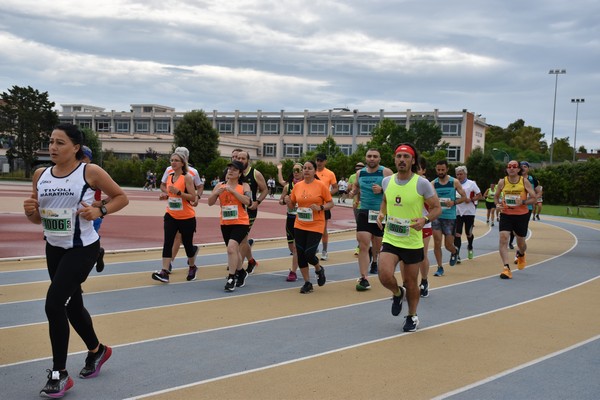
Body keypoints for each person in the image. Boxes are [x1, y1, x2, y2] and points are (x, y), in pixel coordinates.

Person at [23, 123, 129, 398]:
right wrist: (30, 212)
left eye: (60, 143)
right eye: (51, 141)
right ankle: (98, 350)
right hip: (54, 248)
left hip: (82, 249)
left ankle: (60, 374)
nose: (53, 147)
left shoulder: (89, 172)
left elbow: (121, 197)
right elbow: (38, 219)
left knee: (54, 303)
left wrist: (100, 209)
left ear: (75, 147)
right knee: (72, 305)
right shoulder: (40, 174)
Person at [376, 143, 441, 332]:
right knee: (384, 275)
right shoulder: (387, 181)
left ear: (413, 160)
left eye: (406, 157)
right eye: (399, 157)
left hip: (412, 240)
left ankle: (412, 316)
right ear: (395, 159)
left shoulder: (421, 183)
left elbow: (437, 208)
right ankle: (397, 293)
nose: (402, 160)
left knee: (411, 282)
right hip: (391, 237)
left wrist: (425, 219)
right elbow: (385, 201)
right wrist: (382, 214)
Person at [151, 151, 199, 283]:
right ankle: (164, 271)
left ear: (182, 163)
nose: (173, 163)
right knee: (168, 242)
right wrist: (165, 196)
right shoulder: (170, 176)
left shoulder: (187, 177)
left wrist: (179, 192)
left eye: (176, 160)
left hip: (187, 217)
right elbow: (171, 195)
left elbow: (192, 197)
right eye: (172, 160)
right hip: (171, 215)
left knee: (188, 245)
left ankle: (192, 267)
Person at [350, 149, 393, 290]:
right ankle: (364, 277)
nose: (372, 158)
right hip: (364, 211)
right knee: (363, 244)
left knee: (378, 244)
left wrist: (381, 190)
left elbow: (396, 189)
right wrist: (353, 192)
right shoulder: (360, 173)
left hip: (380, 213)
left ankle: (375, 261)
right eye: (369, 156)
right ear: (366, 158)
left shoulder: (386, 172)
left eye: (375, 156)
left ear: (379, 159)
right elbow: (356, 186)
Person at [289, 160, 334, 293]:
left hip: (316, 224)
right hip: (300, 224)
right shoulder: (297, 186)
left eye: (310, 168)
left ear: (315, 171)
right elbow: (292, 204)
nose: (306, 170)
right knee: (300, 254)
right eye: (305, 169)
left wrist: (320, 207)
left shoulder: (320, 186)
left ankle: (319, 269)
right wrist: (286, 202)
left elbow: (331, 203)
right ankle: (307, 282)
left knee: (309, 254)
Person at [208, 160, 252, 291]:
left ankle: (231, 277)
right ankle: (241, 272)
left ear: (239, 173)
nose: (230, 171)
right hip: (225, 222)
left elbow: (248, 201)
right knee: (233, 250)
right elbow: (210, 202)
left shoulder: (244, 186)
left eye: (234, 169)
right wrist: (216, 193)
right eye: (229, 169)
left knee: (231, 248)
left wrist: (232, 192)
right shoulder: (220, 185)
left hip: (241, 222)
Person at [494, 160, 537, 279]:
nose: (511, 168)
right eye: (509, 166)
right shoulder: (502, 181)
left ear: (519, 169)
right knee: (503, 238)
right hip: (506, 214)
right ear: (507, 169)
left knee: (521, 243)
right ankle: (506, 268)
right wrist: (497, 204)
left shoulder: (524, 181)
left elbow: (534, 198)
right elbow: (496, 196)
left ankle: (521, 254)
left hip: (521, 215)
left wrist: (522, 202)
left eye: (514, 166)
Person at [430, 160, 466, 277]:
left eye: (442, 170)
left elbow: (464, 197)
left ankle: (454, 251)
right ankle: (440, 267)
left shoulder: (454, 182)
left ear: (447, 169)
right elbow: (427, 198)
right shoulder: (433, 184)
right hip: (437, 216)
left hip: (450, 218)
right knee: (437, 242)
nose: (440, 172)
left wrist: (454, 202)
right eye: (438, 170)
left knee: (448, 245)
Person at [236, 151, 268, 273]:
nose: (240, 160)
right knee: (241, 239)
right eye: (238, 158)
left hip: (249, 211)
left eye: (243, 158)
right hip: (236, 211)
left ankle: (237, 267)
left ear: (248, 160)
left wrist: (257, 202)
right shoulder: (233, 173)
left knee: (240, 239)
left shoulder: (255, 173)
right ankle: (251, 261)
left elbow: (265, 190)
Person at [81, 146, 107, 273]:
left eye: (84, 157)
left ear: (89, 159)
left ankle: (97, 253)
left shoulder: (95, 174)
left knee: (86, 248)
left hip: (93, 216)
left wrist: (100, 204)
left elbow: (117, 196)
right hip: (78, 216)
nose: (81, 160)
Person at [279, 162, 304, 281]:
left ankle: (293, 272)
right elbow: (280, 200)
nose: (296, 172)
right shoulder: (288, 186)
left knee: (295, 248)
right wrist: (284, 200)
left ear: (303, 171)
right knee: (291, 247)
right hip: (290, 218)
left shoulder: (307, 185)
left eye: (298, 170)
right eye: (294, 170)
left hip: (302, 219)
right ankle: (300, 258)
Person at [453, 166, 482, 263]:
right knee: (457, 233)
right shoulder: (454, 184)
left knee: (468, 233)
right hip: (457, 212)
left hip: (469, 212)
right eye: (457, 174)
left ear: (465, 174)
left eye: (461, 174)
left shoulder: (471, 184)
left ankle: (470, 246)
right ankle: (457, 254)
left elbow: (479, 195)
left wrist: (471, 199)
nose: (459, 176)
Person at [508, 161, 539, 249]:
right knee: (513, 228)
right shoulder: (515, 178)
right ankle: (511, 242)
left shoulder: (532, 179)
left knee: (522, 229)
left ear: (528, 169)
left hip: (527, 207)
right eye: (521, 166)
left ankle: (520, 250)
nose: (523, 168)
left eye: (525, 166)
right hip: (513, 206)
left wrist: (534, 198)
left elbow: (539, 191)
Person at [315, 153, 338, 260]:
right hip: (312, 205)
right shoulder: (311, 171)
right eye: (317, 160)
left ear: (325, 161)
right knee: (312, 228)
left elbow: (335, 188)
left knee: (323, 229)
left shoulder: (330, 174)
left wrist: (327, 194)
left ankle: (324, 250)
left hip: (324, 205)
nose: (318, 163)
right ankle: (314, 247)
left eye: (321, 161)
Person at [416, 158, 433, 297]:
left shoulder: (427, 185)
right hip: (406, 225)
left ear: (423, 170)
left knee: (422, 255)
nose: (416, 170)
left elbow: (435, 205)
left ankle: (424, 281)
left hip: (424, 224)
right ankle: (406, 284)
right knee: (404, 257)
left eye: (419, 168)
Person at [347, 162, 364, 256]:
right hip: (356, 205)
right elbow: (350, 189)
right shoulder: (352, 176)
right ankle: (359, 246)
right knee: (359, 227)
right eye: (357, 168)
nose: (358, 170)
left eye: (360, 168)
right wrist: (350, 188)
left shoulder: (367, 176)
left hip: (367, 205)